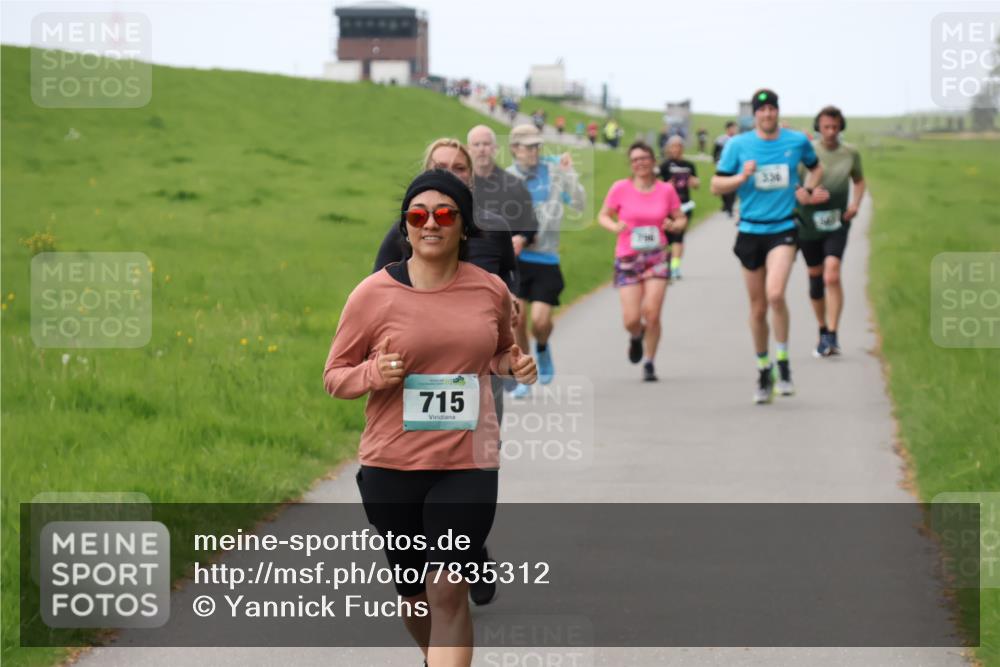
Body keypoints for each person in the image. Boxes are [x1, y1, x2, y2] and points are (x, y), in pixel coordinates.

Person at [325, 170, 538, 667]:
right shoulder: (372, 295)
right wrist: (375, 373)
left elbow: (501, 353)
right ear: (406, 227)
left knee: (447, 590)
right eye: (418, 216)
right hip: (392, 464)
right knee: (416, 596)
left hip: (468, 463)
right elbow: (334, 376)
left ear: (463, 226)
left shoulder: (490, 290)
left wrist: (515, 363)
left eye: (444, 214)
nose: (431, 224)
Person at [711, 89, 826, 404]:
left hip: (784, 229)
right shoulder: (738, 145)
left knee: (776, 294)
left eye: (772, 110)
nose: (767, 115)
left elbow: (815, 167)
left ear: (777, 112)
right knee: (758, 306)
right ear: (755, 115)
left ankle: (784, 362)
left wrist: (808, 189)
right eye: (762, 111)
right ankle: (764, 368)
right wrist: (740, 177)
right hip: (750, 231)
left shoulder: (795, 142)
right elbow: (715, 185)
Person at [505, 123, 586, 397]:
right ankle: (524, 376)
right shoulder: (505, 178)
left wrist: (569, 173)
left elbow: (579, 204)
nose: (534, 151)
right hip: (516, 259)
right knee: (517, 319)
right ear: (515, 149)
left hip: (546, 259)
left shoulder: (554, 173)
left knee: (540, 321)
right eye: (528, 146)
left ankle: (542, 346)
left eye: (537, 145)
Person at [598, 141, 685, 381]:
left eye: (644, 158)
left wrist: (673, 224)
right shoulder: (620, 188)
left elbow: (680, 218)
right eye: (635, 159)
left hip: (656, 256)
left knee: (653, 312)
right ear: (631, 164)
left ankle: (649, 362)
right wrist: (615, 225)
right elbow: (603, 215)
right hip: (628, 256)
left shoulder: (666, 190)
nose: (640, 163)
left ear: (653, 161)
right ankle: (636, 336)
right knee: (632, 318)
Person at [796, 105, 865, 357]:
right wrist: (808, 197)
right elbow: (794, 187)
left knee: (832, 275)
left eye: (835, 127)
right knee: (815, 276)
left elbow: (859, 180)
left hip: (837, 222)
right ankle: (822, 330)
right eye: (826, 127)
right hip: (808, 224)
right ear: (818, 127)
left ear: (841, 127)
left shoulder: (850, 153)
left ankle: (834, 334)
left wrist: (855, 204)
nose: (831, 132)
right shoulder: (807, 152)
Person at [658, 135, 699, 280]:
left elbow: (696, 184)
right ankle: (663, 264)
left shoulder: (689, 165)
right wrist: (665, 186)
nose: (676, 149)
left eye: (679, 146)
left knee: (678, 237)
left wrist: (694, 182)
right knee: (664, 238)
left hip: (684, 205)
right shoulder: (664, 165)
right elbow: (654, 184)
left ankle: (675, 267)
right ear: (669, 148)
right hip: (665, 207)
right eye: (673, 146)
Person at [713, 121, 739, 217]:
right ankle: (725, 204)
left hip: (734, 167)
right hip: (722, 166)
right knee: (723, 187)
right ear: (728, 129)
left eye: (735, 128)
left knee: (732, 187)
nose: (734, 130)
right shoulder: (721, 140)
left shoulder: (737, 140)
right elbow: (715, 152)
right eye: (732, 128)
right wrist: (716, 161)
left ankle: (730, 207)